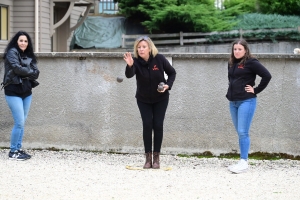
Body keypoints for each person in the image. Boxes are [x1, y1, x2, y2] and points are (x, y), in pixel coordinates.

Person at [123, 36, 176, 169]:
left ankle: (156, 158)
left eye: (144, 47)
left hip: (161, 98)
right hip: (143, 99)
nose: (141, 49)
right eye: (139, 47)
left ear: (149, 48)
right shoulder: (135, 61)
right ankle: (148, 158)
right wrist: (129, 65)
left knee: (158, 125)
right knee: (147, 125)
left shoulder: (160, 59)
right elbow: (129, 75)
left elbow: (172, 73)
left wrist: (168, 86)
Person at [226, 39, 271, 173]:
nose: (237, 51)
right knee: (240, 133)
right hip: (233, 102)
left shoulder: (251, 62)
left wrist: (256, 90)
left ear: (245, 50)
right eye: (235, 49)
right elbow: (232, 80)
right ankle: (241, 160)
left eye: (240, 49)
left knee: (243, 132)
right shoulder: (231, 63)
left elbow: (267, 76)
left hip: (247, 101)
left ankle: (244, 162)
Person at [1, 31, 40, 160]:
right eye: (21, 40)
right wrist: (29, 72)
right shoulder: (12, 52)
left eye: (25, 41)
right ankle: (13, 152)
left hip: (27, 92)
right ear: (16, 42)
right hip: (13, 91)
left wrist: (26, 72)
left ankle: (18, 149)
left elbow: (36, 73)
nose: (23, 43)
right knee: (19, 122)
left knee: (22, 123)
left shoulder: (29, 55)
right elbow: (17, 69)